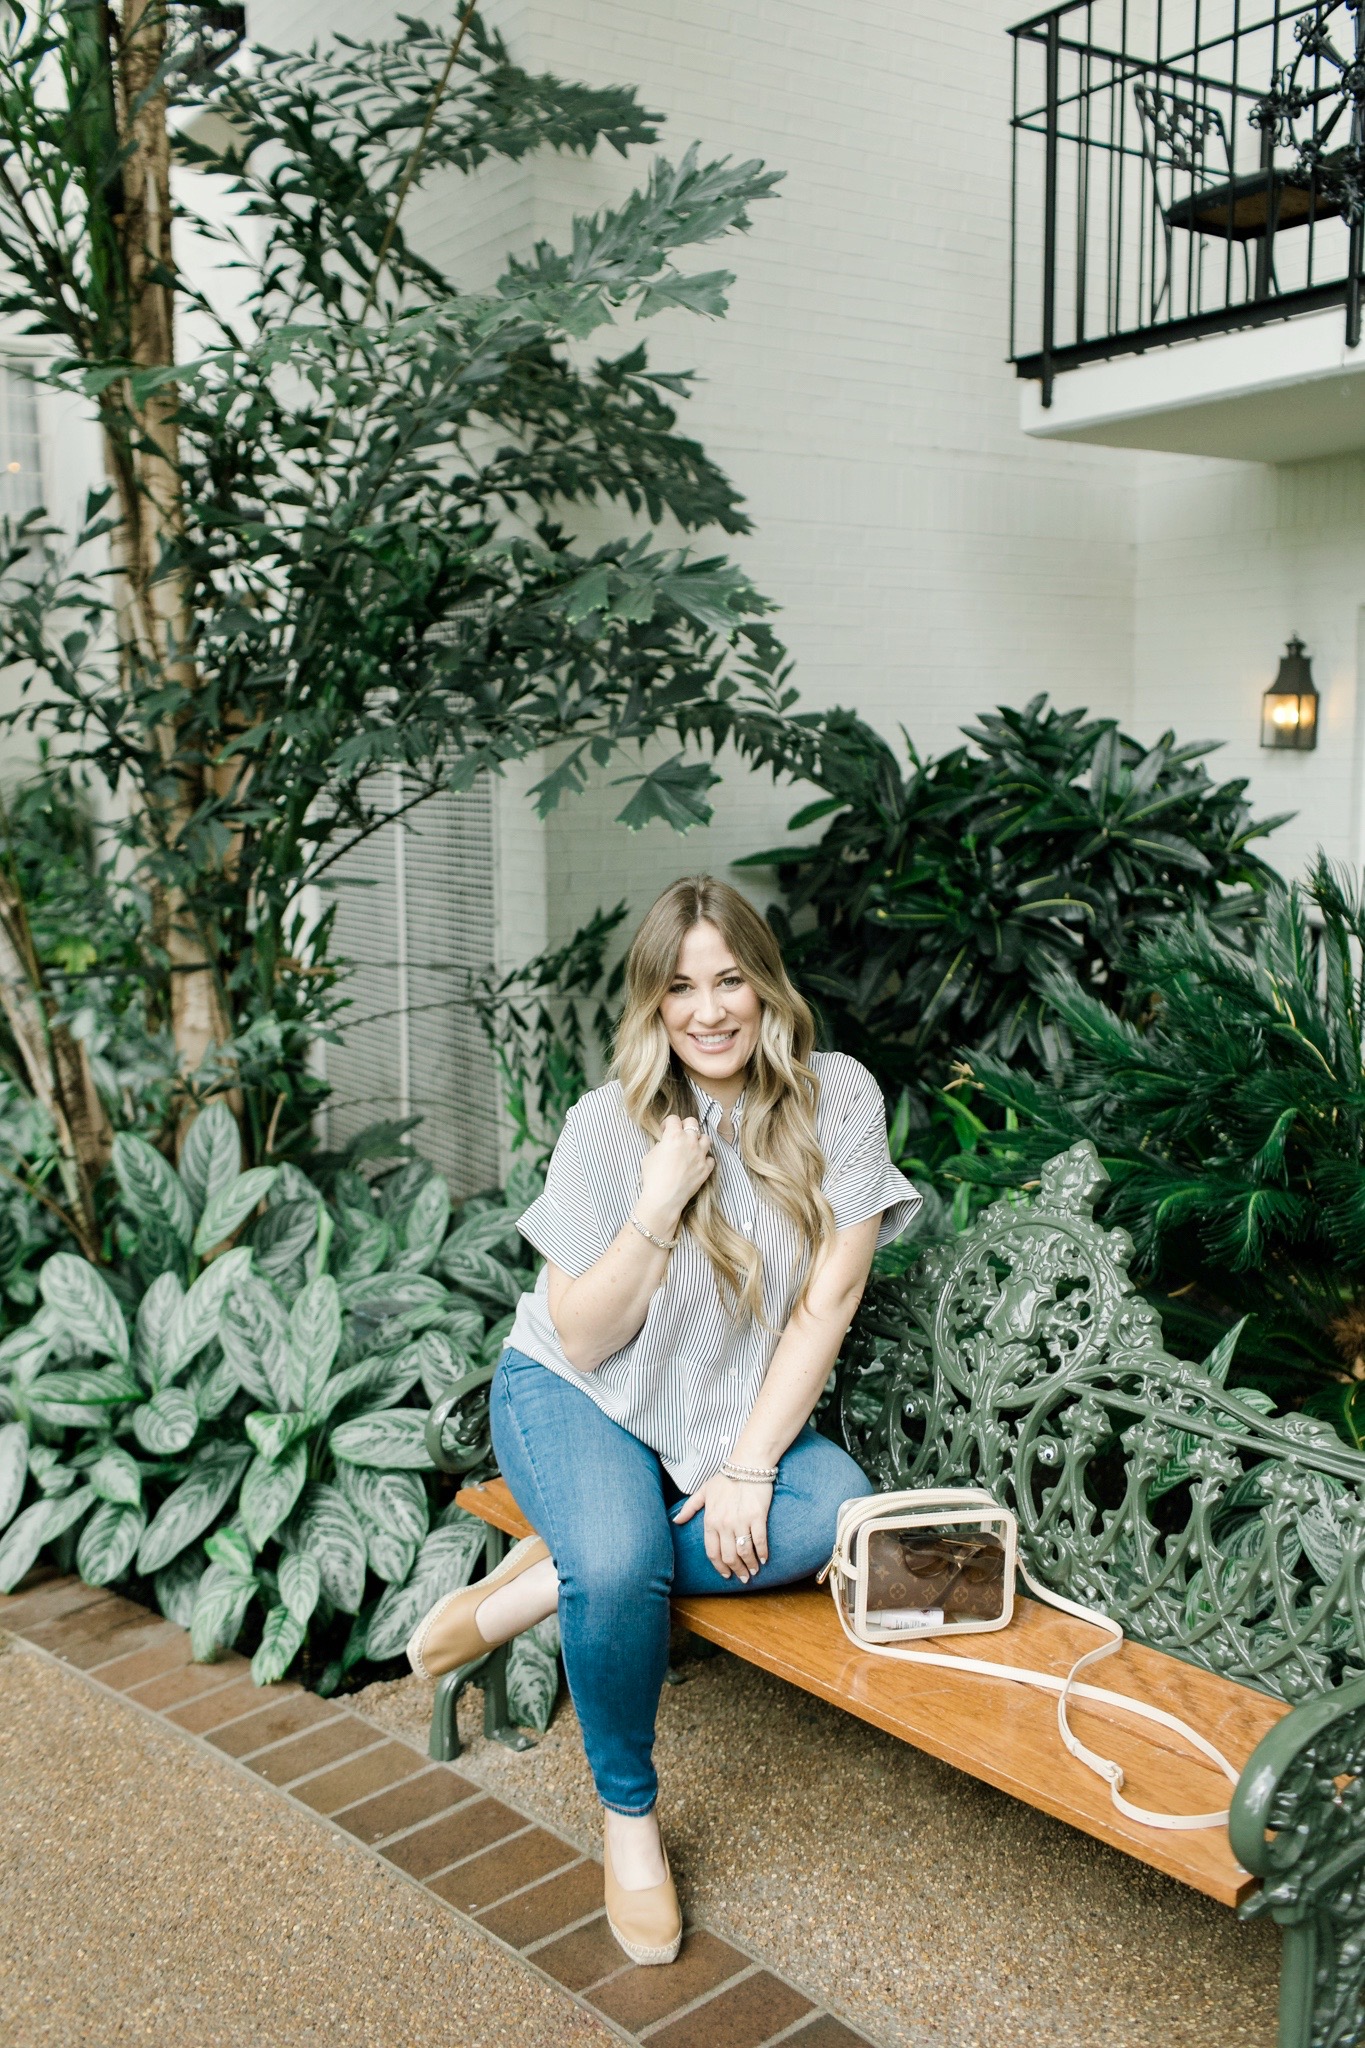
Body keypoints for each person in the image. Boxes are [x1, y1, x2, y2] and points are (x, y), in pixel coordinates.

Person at [407, 876, 920, 1965]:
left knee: (835, 1508)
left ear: (765, 985)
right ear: (653, 1006)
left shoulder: (842, 1101)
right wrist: (657, 1201)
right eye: (680, 987)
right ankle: (629, 1815)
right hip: (574, 1395)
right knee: (628, 1552)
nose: (709, 1009)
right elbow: (583, 1337)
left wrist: (747, 1464)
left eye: (729, 977)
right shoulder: (611, 1125)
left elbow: (826, 1303)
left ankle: (551, 1579)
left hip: (721, 1417)